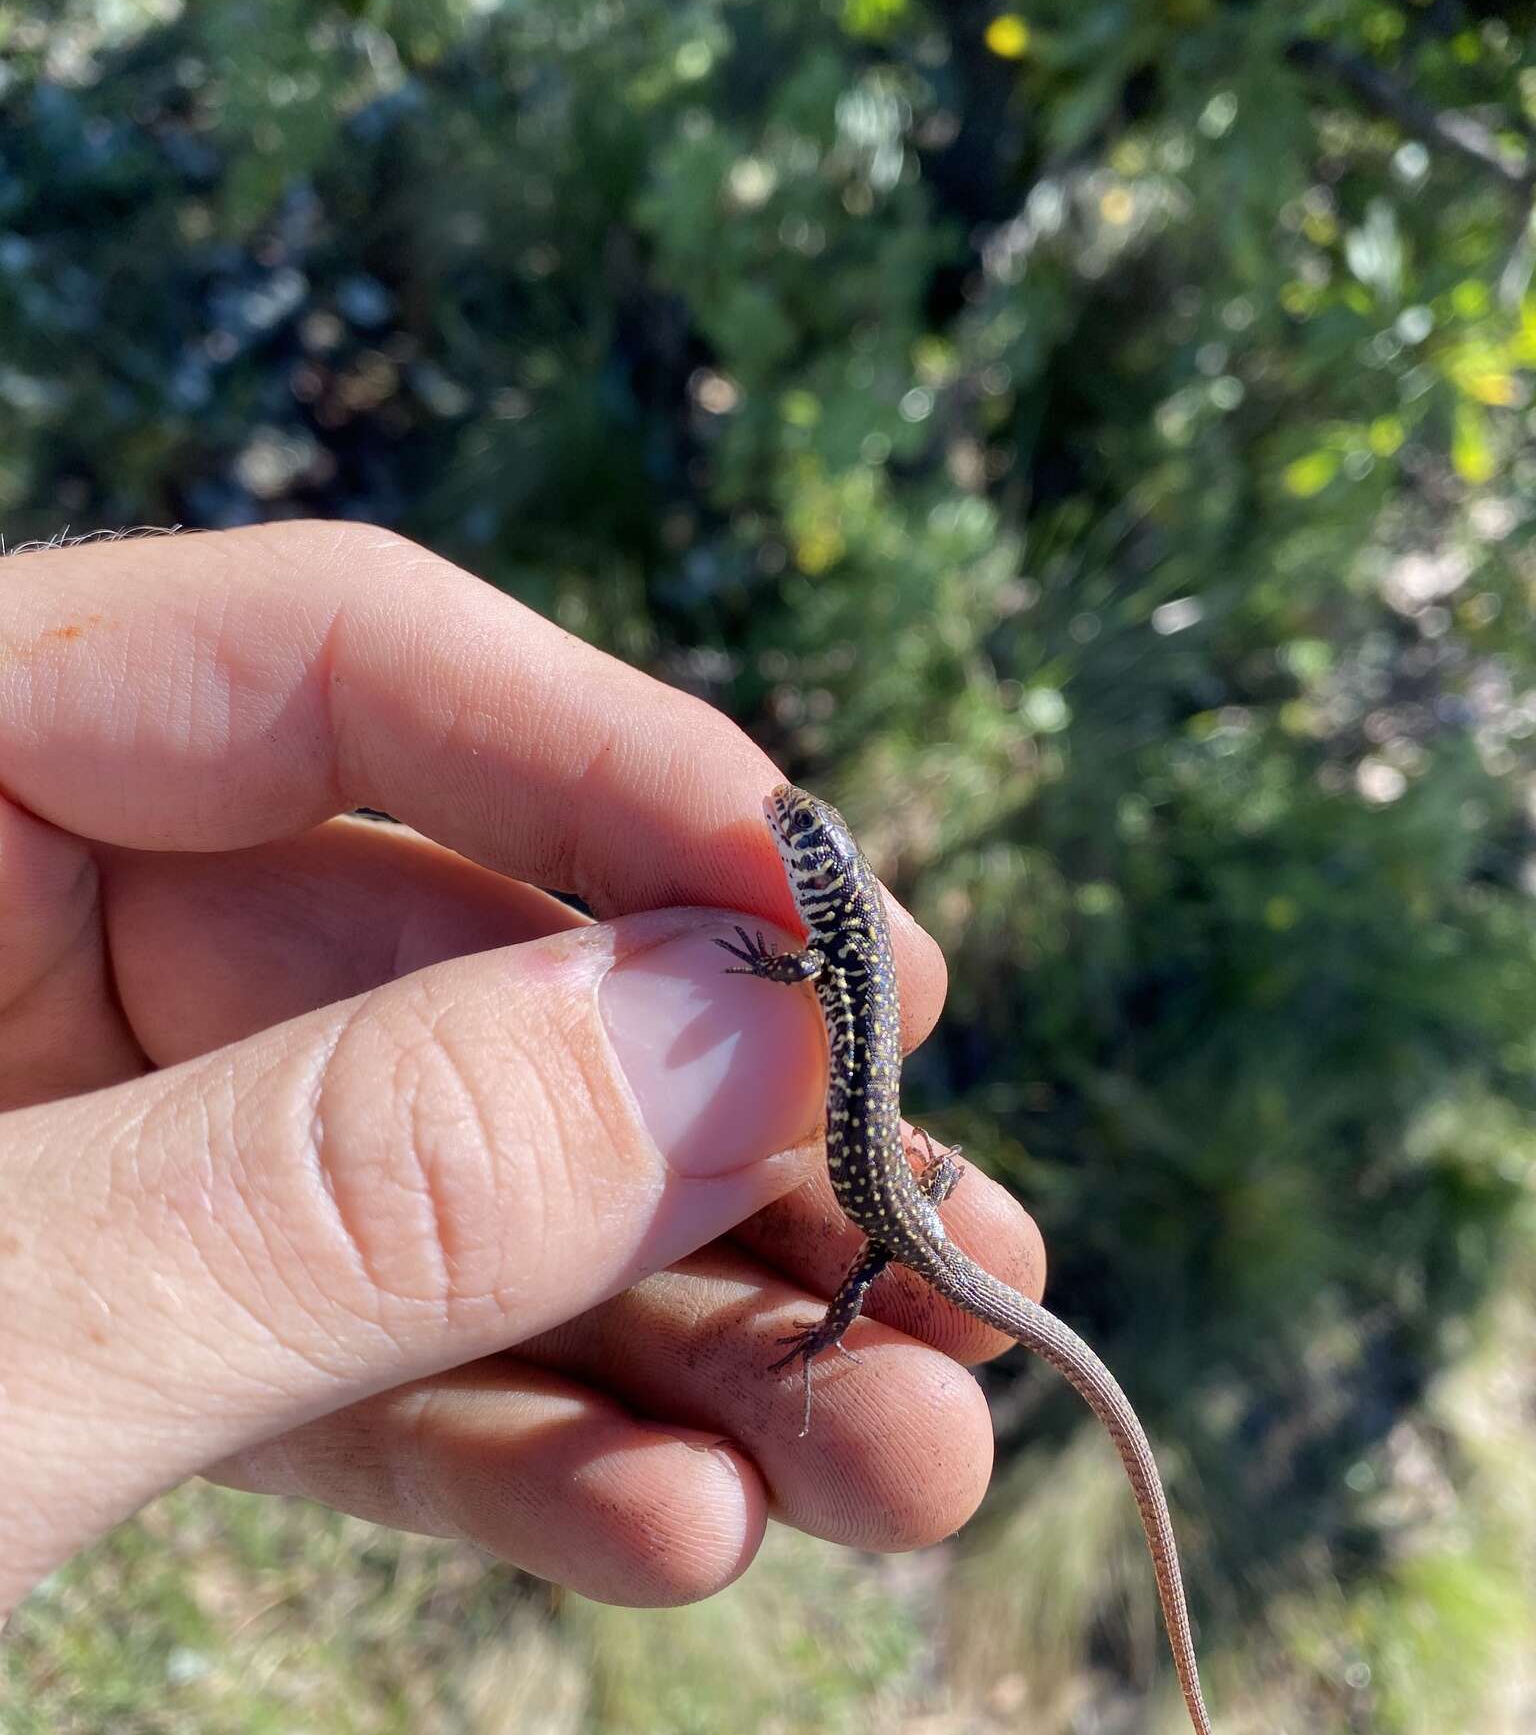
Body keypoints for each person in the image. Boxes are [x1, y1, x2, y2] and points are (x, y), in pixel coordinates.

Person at [0, 521, 1044, 1621]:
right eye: (796, 829)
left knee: (879, 1291)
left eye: (799, 839)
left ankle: (838, 1328)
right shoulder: (848, 955)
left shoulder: (836, 952)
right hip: (894, 1206)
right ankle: (853, 1305)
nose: (781, 832)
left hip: (893, 1216)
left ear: (826, 887)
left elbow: (792, 968)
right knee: (889, 1322)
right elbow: (803, 968)